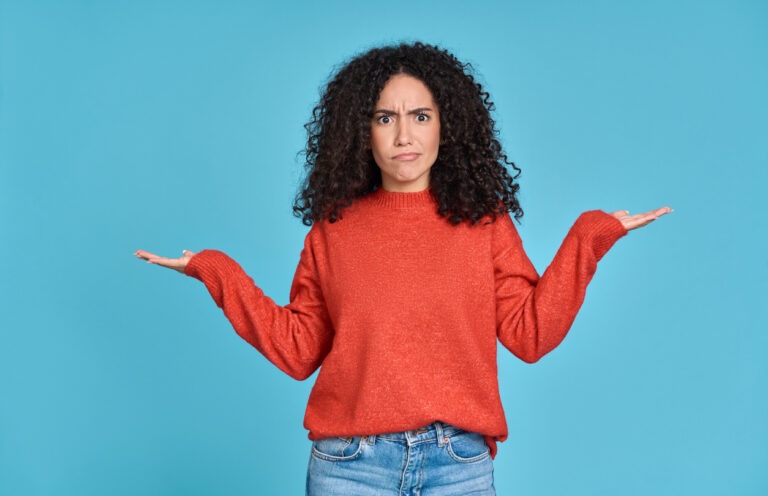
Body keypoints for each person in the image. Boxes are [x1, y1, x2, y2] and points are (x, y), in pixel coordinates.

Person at [135, 42, 671, 495]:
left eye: (420, 116)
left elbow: (530, 336)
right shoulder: (334, 229)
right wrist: (216, 271)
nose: (403, 136)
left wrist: (588, 239)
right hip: (350, 467)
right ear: (361, 131)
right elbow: (299, 350)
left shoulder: (483, 224)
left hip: (457, 466)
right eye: (385, 118)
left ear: (447, 125)